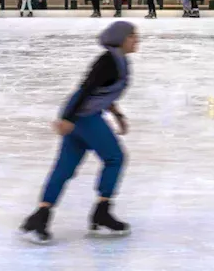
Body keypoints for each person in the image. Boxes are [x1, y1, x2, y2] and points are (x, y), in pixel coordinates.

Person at [20, 21, 138, 244]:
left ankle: (40, 217)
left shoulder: (117, 59)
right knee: (115, 158)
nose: (136, 40)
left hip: (79, 114)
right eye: (132, 36)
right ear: (121, 38)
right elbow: (87, 90)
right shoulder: (109, 61)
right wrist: (68, 119)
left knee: (65, 167)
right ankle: (101, 214)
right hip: (82, 115)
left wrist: (117, 115)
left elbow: (103, 93)